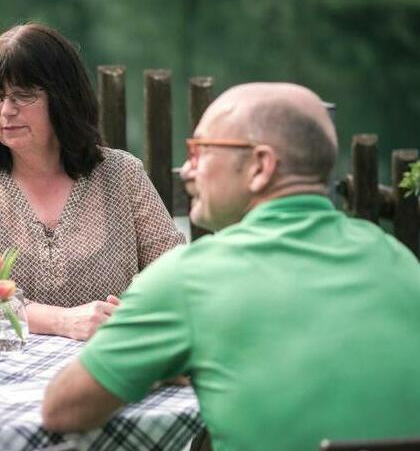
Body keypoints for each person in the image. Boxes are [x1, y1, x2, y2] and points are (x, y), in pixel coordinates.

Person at [42, 83, 420, 450]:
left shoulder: (190, 277)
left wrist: (157, 367)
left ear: (260, 166)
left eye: (200, 151)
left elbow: (63, 409)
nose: (188, 170)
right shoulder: (398, 259)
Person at [0, 23, 185, 341]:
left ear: (62, 98)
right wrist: (63, 321)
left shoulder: (122, 173)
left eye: (23, 95)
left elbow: (175, 276)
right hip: (9, 372)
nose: (6, 111)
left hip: (110, 358)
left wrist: (132, 314)